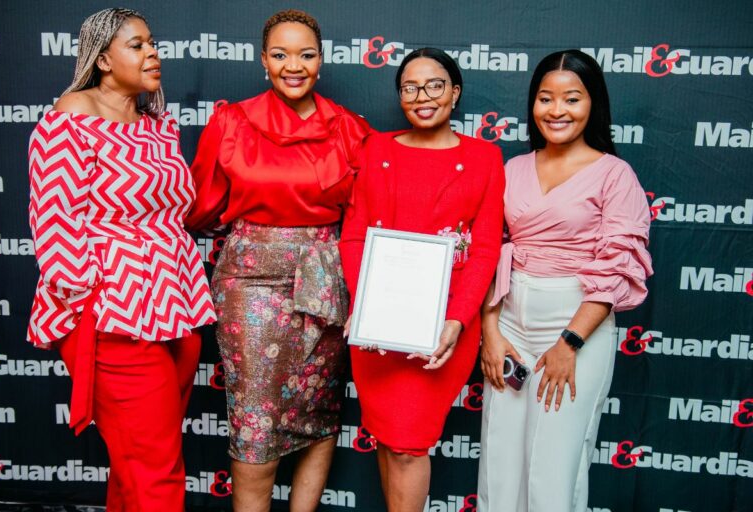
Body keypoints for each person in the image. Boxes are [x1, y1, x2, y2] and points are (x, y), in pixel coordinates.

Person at [26, 8, 216, 510]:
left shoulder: (156, 125)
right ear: (104, 60)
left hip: (174, 309)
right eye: (137, 45)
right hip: (114, 315)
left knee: (138, 462)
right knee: (156, 468)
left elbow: (170, 212)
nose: (153, 53)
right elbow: (55, 218)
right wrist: (89, 295)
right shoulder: (73, 116)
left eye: (152, 43)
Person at [185, 9, 371, 512]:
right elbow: (201, 206)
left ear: (321, 61)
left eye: (306, 55)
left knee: (319, 408)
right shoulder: (231, 122)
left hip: (324, 279)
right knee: (256, 418)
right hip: (251, 280)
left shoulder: (350, 129)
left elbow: (365, 215)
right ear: (263, 60)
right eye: (281, 54)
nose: (294, 66)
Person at [477, 49, 654, 512]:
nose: (557, 110)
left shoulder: (615, 174)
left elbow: (618, 266)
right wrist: (490, 331)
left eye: (572, 99)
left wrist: (569, 342)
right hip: (510, 322)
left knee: (552, 467)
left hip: (575, 327)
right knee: (499, 461)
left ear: (593, 103)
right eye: (545, 98)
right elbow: (491, 251)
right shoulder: (513, 168)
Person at [338, 48, 505, 511]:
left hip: (442, 326)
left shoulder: (485, 157)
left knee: (409, 445)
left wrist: (457, 320)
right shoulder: (376, 148)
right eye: (410, 88)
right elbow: (354, 236)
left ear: (455, 92)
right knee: (389, 439)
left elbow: (486, 249)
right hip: (379, 321)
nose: (422, 96)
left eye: (435, 85)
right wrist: (365, 304)